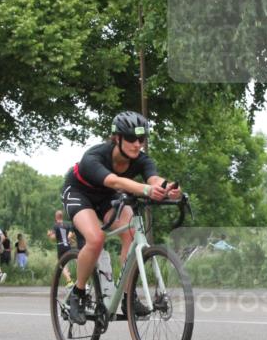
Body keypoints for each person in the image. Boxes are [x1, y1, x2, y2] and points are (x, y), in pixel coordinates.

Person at [60, 111, 182, 324]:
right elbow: (115, 182)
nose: (137, 144)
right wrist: (146, 190)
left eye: (142, 140)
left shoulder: (142, 159)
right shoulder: (94, 157)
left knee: (132, 233)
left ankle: (128, 296)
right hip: (80, 193)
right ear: (117, 138)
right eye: (132, 139)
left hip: (108, 197)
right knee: (96, 239)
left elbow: (154, 179)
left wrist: (167, 188)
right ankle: (77, 295)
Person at [49, 210, 74, 286]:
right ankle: (69, 278)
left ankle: (69, 281)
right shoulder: (68, 224)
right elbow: (70, 236)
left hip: (60, 246)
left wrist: (49, 235)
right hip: (68, 246)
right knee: (66, 262)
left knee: (61, 264)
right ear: (62, 216)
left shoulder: (55, 226)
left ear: (56, 217)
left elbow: (53, 238)